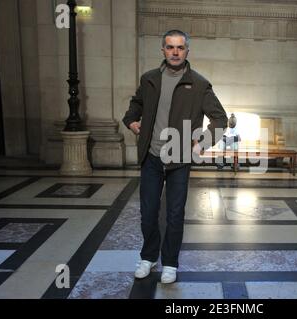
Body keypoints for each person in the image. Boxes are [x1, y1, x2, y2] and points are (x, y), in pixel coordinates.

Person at [122, 30, 228, 284]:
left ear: (187, 51)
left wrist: (202, 143)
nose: (175, 52)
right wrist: (131, 121)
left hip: (179, 158)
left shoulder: (200, 84)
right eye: (170, 47)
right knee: (148, 212)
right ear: (163, 50)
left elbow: (220, 119)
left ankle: (170, 262)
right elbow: (136, 103)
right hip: (151, 157)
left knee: (174, 214)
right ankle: (148, 257)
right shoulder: (149, 79)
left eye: (180, 47)